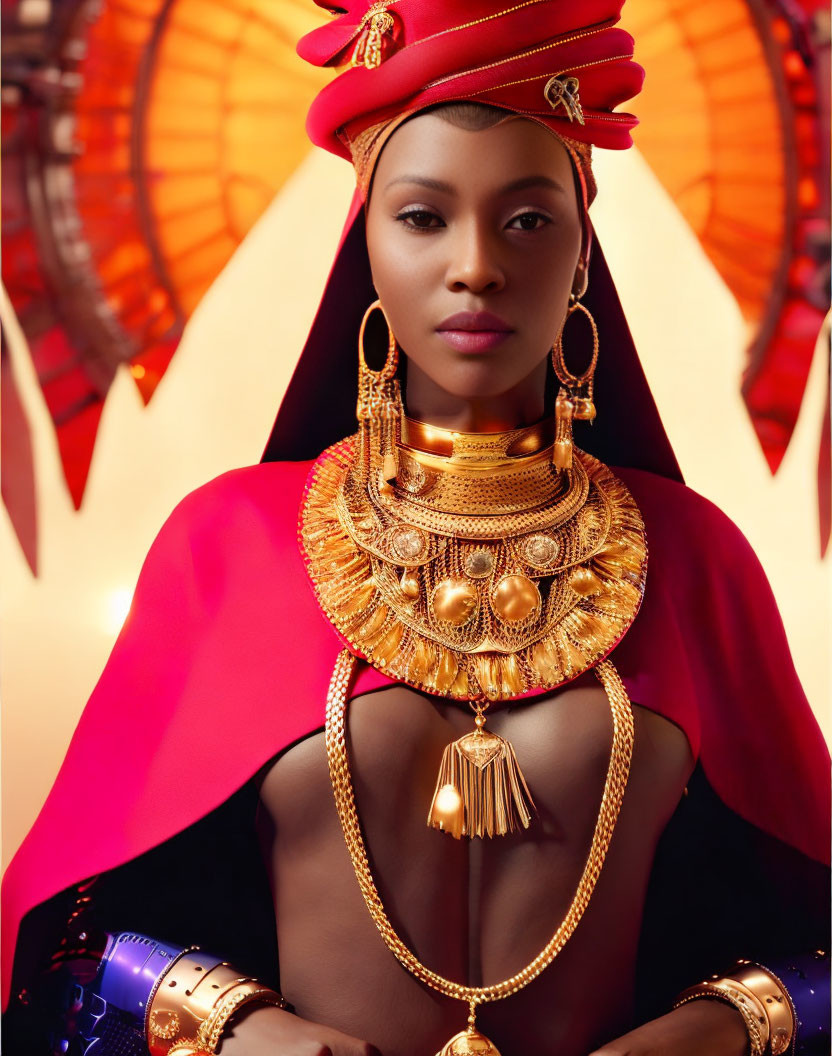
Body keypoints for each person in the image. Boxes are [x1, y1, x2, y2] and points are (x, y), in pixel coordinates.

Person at [2, 2, 829, 1055]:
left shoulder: (693, 558)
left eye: (526, 219)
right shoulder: (231, 544)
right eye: (424, 217)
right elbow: (65, 945)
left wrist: (718, 1026)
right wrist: (236, 1027)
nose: (476, 264)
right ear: (366, 249)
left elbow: (813, 936)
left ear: (581, 254)